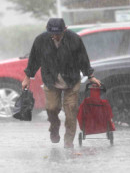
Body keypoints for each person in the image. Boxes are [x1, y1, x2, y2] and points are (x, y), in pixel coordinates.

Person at [22, 18, 101, 148]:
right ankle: (54, 127)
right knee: (52, 108)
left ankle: (68, 142)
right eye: (52, 34)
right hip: (50, 80)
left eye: (58, 33)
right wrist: (27, 77)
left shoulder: (74, 39)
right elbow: (34, 60)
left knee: (71, 111)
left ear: (65, 29)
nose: (55, 36)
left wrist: (90, 75)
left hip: (71, 79)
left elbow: (83, 59)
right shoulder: (41, 41)